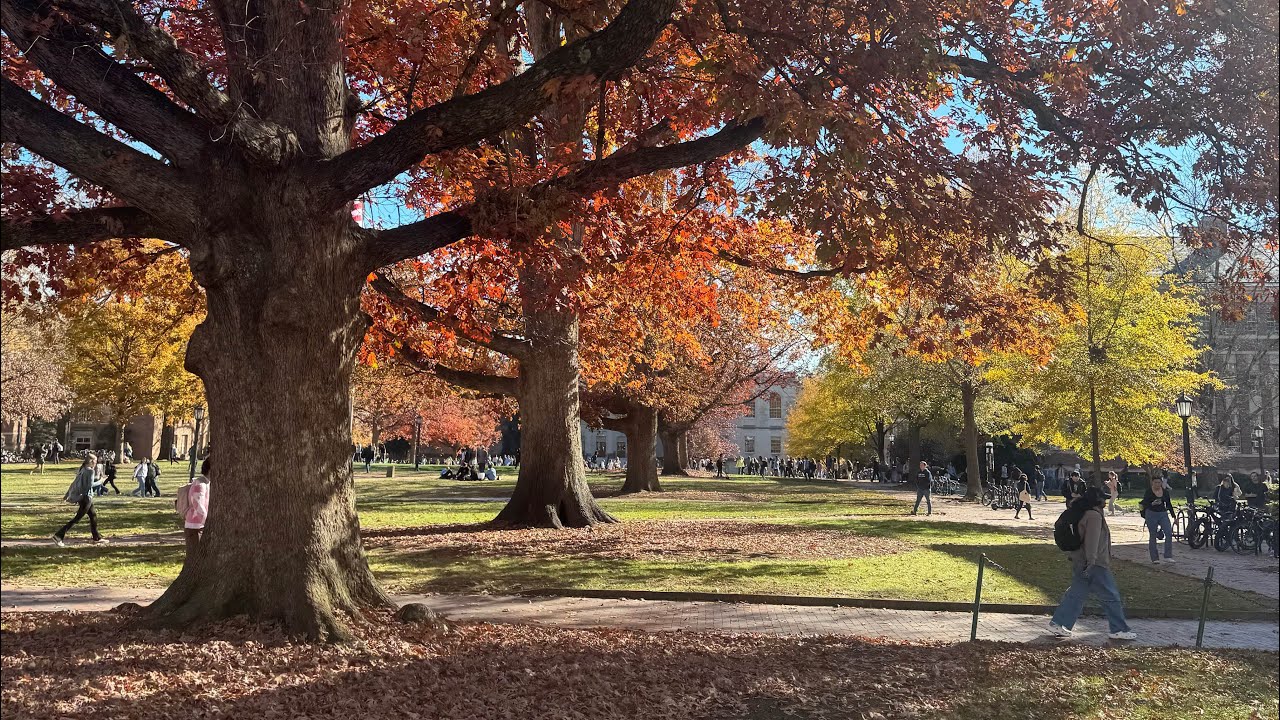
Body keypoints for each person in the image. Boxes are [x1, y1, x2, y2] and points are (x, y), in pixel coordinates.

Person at [1048, 488, 1137, 640]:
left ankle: (1059, 622)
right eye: (1103, 498)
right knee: (1110, 594)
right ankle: (1118, 629)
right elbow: (1092, 540)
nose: (1106, 501)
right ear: (1098, 500)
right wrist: (1092, 560)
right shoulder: (1094, 516)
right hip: (1094, 563)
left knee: (1076, 594)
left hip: (1081, 560)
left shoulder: (1084, 512)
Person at [52, 455, 108, 546]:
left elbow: (75, 482)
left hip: (83, 497)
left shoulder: (82, 469)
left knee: (93, 515)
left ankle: (96, 537)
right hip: (86, 498)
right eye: (95, 461)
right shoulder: (90, 471)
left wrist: (67, 495)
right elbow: (89, 485)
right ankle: (58, 536)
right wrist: (101, 481)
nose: (96, 463)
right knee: (77, 519)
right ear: (91, 461)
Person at [1139, 476, 1175, 564]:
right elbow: (1144, 504)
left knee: (1168, 533)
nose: (1157, 484)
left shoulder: (1165, 492)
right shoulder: (1149, 492)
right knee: (1153, 534)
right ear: (1152, 483)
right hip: (1151, 513)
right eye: (1155, 482)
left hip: (1162, 513)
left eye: (1159, 483)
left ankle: (1168, 556)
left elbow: (1169, 504)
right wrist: (1152, 503)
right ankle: (1155, 558)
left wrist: (1174, 517)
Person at [182, 458, 211, 555]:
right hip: (195, 526)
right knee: (196, 556)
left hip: (200, 525)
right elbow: (198, 506)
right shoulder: (200, 484)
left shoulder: (207, 483)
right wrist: (207, 523)